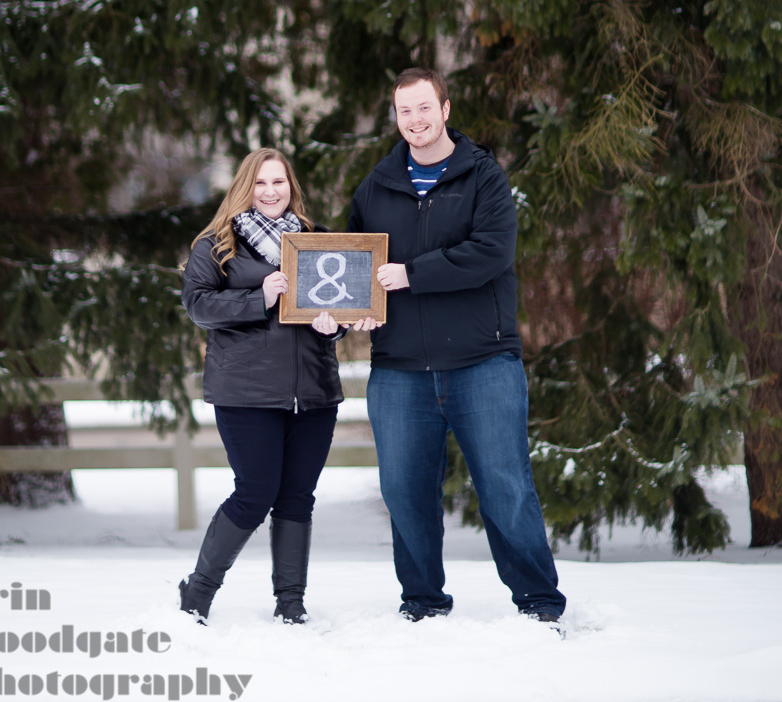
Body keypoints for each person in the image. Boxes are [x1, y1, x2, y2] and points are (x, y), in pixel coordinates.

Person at [348, 67, 566, 626]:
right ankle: (422, 602)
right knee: (404, 493)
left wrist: (411, 275)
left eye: (424, 108)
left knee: (505, 487)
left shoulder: (483, 177)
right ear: (394, 117)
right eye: (404, 111)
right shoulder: (376, 187)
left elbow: (491, 253)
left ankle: (538, 603)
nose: (415, 121)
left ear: (445, 110)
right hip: (399, 369)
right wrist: (354, 313)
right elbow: (356, 267)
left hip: (482, 362)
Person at [179, 147, 357, 625]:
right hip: (246, 391)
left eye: (278, 182)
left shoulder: (319, 242)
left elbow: (340, 307)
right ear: (245, 187)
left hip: (313, 391)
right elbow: (198, 305)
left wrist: (333, 327)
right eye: (260, 183)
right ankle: (197, 593)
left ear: (291, 188)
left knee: (298, 496)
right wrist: (258, 297)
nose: (270, 191)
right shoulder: (217, 244)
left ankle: (291, 603)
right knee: (255, 493)